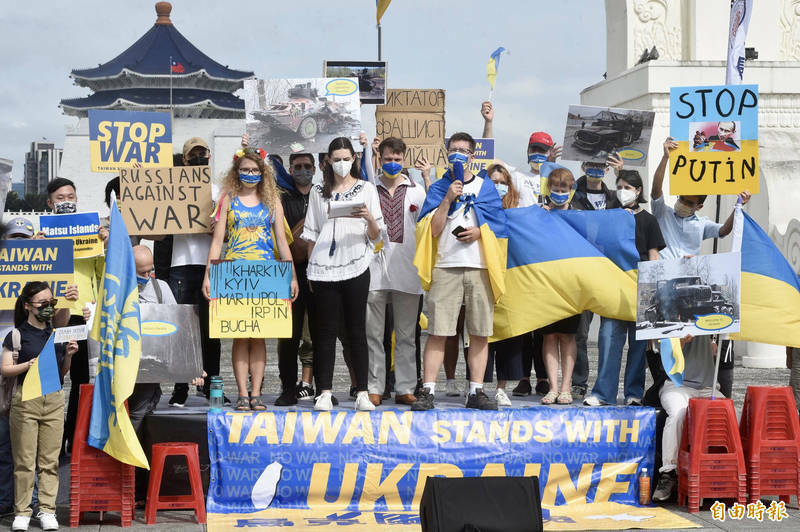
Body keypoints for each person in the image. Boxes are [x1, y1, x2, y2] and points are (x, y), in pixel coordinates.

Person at [412, 132, 506, 411]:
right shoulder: (439, 188)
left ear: (473, 156)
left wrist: (480, 231)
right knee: (439, 331)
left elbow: (500, 227)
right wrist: (447, 200)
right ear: (446, 153)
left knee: (479, 332)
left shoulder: (486, 187)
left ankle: (476, 390)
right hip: (445, 266)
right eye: (454, 150)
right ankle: (428, 390)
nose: (459, 155)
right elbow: (433, 230)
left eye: (464, 150)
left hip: (479, 266)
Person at [202, 148, 297, 411]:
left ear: (263, 173)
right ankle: (242, 393)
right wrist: (208, 276)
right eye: (245, 170)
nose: (250, 174)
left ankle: (257, 393)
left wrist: (291, 276)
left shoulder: (272, 202)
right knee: (239, 336)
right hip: (233, 274)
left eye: (255, 170)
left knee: (259, 337)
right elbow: (217, 241)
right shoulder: (227, 199)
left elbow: (282, 242)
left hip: (266, 274)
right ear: (236, 171)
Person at [301, 137, 384, 412]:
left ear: (354, 159)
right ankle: (324, 391)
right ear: (327, 161)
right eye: (336, 159)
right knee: (323, 332)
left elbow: (375, 234)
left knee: (357, 330)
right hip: (324, 268)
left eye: (346, 158)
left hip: (357, 265)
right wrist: (311, 270)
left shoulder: (366, 189)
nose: (341, 163)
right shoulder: (318, 192)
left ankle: (362, 390)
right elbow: (311, 233)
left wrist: (367, 217)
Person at [584, 170, 665, 406]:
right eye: (619, 186)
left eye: (628, 187)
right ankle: (603, 394)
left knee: (639, 346)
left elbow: (653, 254)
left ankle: (633, 393)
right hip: (613, 288)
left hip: (640, 288)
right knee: (609, 339)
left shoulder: (649, 220)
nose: (623, 191)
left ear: (638, 191)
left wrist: (654, 288)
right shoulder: (609, 216)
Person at [2, 282, 79, 531]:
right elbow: (4, 368)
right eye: (43, 304)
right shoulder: (16, 334)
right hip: (26, 398)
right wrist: (28, 365)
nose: (48, 308)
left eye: (51, 303)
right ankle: (22, 512)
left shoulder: (56, 334)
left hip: (54, 398)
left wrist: (68, 355)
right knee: (24, 460)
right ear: (27, 306)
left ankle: (47, 510)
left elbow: (61, 373)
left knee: (49, 460)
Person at [44, 177, 108, 456]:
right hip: (51, 316)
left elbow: (101, 273)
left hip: (82, 317)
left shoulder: (90, 233)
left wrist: (105, 243)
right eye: (60, 197)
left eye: (70, 195)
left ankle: (71, 438)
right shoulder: (41, 235)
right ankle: (50, 442)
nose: (66, 200)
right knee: (51, 380)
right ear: (49, 203)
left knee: (81, 381)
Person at [365, 137, 426, 406]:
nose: (392, 164)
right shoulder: (367, 188)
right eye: (388, 159)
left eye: (397, 160)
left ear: (405, 160)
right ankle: (375, 387)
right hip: (372, 269)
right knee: (374, 334)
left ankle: (404, 387)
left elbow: (427, 229)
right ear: (380, 158)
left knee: (406, 336)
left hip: (407, 270)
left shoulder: (417, 191)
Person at [168, 138, 221, 407]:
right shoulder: (172, 187)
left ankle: (213, 385)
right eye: (194, 154)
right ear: (185, 160)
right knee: (182, 330)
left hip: (211, 264)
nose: (200, 158)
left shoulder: (218, 191)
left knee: (213, 329)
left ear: (209, 158)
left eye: (203, 153)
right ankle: (180, 388)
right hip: (181, 263)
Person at [569, 156, 623, 398]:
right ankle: (579, 382)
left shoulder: (616, 197)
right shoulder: (571, 194)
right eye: (591, 164)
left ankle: (604, 387)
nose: (595, 169)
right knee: (580, 332)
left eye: (601, 165)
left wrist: (623, 172)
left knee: (609, 333)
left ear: (608, 169)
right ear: (582, 166)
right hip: (582, 269)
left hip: (612, 270)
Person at [651, 137, 750, 260]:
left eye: (688, 203)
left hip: (689, 274)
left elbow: (723, 230)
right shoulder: (663, 213)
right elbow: (656, 191)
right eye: (682, 198)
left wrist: (739, 205)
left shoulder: (702, 224)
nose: (682, 203)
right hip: (663, 272)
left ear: (699, 207)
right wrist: (665, 157)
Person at [275, 152, 318, 406]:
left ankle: (323, 387)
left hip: (319, 272)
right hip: (289, 272)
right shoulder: (281, 198)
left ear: (315, 168)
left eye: (307, 166)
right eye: (298, 167)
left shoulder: (322, 194)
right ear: (289, 170)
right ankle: (287, 388)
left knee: (320, 333)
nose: (303, 170)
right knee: (288, 335)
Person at [652, 335, 716, 502]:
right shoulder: (670, 315)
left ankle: (720, 473)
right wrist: (679, 341)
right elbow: (661, 352)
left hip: (708, 387)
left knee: (731, 416)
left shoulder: (709, 314)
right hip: (676, 384)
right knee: (678, 413)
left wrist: (715, 340)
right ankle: (668, 473)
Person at [482, 164, 524, 406]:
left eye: (503, 183)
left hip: (511, 281)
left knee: (508, 335)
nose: (498, 187)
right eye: (493, 182)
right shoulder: (478, 210)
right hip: (484, 277)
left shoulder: (518, 214)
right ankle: (477, 385)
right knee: (481, 334)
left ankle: (501, 388)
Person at [539, 166, 579, 405]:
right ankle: (553, 388)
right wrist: (539, 216)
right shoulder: (540, 214)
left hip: (571, 285)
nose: (560, 192)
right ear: (549, 189)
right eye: (556, 189)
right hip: (545, 283)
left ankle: (566, 388)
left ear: (571, 190)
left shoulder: (580, 215)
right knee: (549, 335)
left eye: (564, 189)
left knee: (567, 336)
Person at [128, 245, 176, 431]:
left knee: (142, 411)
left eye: (151, 270)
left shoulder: (161, 287)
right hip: (127, 362)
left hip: (151, 363)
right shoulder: (117, 289)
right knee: (137, 412)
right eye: (143, 272)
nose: (147, 276)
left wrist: (192, 366)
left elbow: (177, 325)